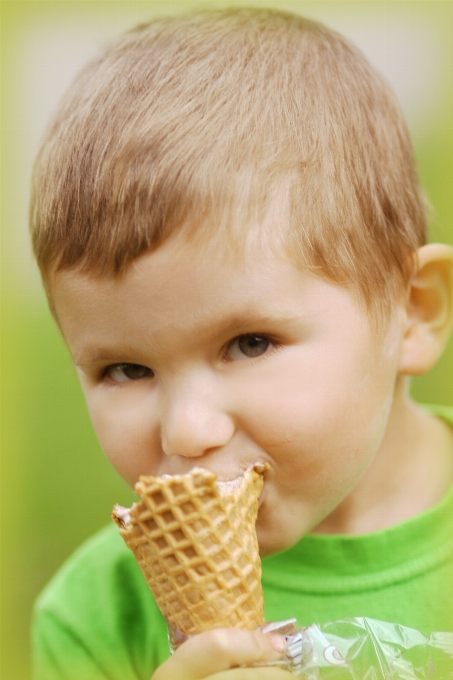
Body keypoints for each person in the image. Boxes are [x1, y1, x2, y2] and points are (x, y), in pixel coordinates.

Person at [30, 7, 453, 680]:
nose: (187, 431)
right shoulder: (97, 615)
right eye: (125, 367)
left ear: (412, 313)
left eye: (249, 343)